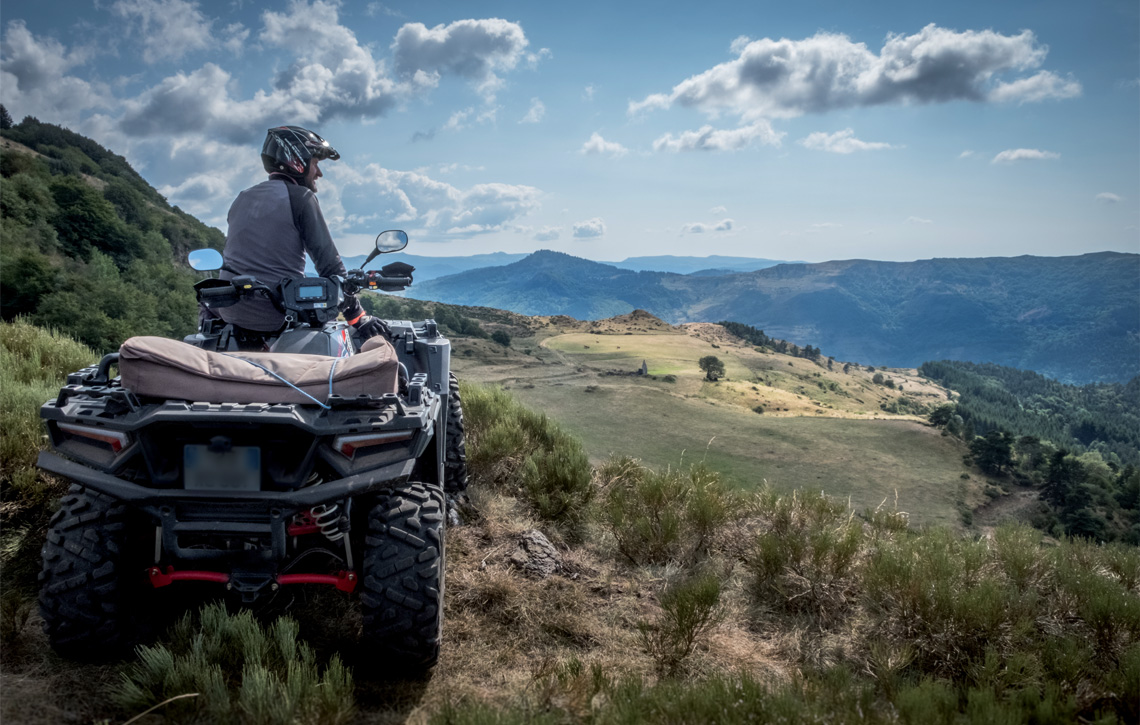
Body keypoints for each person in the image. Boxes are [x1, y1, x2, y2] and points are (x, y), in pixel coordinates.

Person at [214, 125, 386, 344]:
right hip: (277, 317)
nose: (319, 173)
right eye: (315, 163)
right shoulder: (301, 198)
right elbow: (331, 268)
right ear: (298, 161)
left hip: (232, 315)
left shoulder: (242, 197)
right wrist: (357, 317)